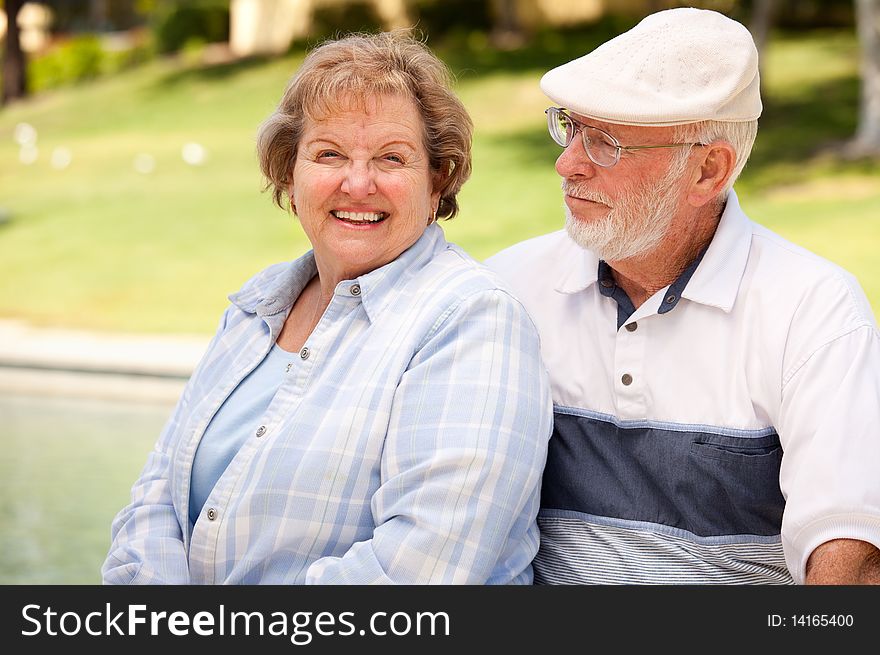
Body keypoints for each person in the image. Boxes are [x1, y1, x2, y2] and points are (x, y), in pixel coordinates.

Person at [102, 32, 551, 585]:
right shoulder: (257, 307)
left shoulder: (473, 321)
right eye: (329, 154)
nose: (358, 183)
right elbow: (154, 502)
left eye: (392, 158)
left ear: (437, 182)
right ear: (290, 174)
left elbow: (418, 570)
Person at [487, 8, 880, 584]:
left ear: (707, 171)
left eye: (605, 144)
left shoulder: (812, 310)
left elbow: (849, 554)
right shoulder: (508, 289)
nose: (567, 164)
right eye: (571, 128)